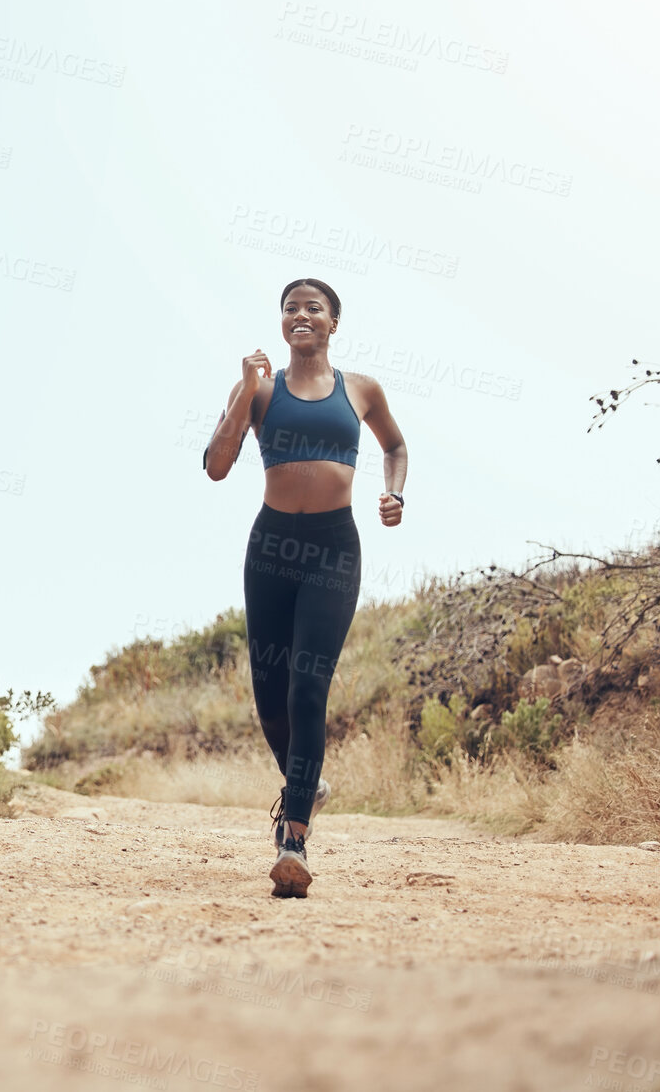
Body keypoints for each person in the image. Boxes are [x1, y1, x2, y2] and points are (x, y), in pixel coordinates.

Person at [201, 278, 407, 897]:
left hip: (333, 550)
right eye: (291, 308)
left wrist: (394, 492)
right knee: (269, 693)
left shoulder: (362, 389)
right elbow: (215, 465)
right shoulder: (257, 391)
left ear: (333, 323)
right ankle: (305, 784)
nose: (301, 316)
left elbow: (394, 446)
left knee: (307, 684)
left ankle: (294, 838)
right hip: (270, 550)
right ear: (281, 321)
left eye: (313, 308)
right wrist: (243, 393)